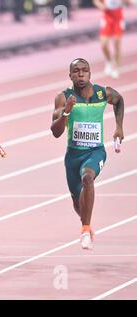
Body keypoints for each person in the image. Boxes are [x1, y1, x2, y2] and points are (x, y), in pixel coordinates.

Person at [50, 58, 124, 250]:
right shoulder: (63, 97)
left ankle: (85, 229)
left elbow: (119, 100)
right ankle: (86, 222)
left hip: (95, 152)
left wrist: (119, 127)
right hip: (73, 156)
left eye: (84, 70)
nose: (81, 74)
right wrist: (66, 113)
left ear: (90, 73)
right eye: (76, 71)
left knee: (88, 178)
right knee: (78, 203)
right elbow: (56, 132)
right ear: (70, 75)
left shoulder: (102, 93)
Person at [93, 0, 132, 79]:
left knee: (117, 43)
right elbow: (96, 1)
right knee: (103, 44)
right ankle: (109, 61)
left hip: (118, 20)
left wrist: (125, 2)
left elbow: (128, 2)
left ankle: (116, 68)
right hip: (107, 19)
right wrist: (101, 6)